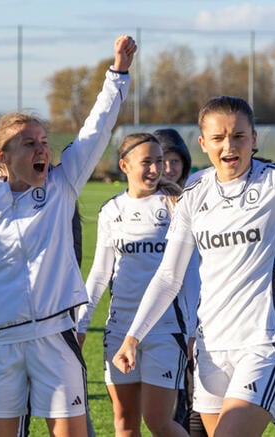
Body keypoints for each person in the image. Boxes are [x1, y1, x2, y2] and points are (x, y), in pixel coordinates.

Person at [112, 96, 275, 437]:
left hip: (265, 343)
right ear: (203, 143)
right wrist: (133, 337)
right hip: (212, 349)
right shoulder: (195, 191)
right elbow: (169, 276)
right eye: (219, 137)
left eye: (239, 136)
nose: (229, 145)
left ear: (254, 139)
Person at [0, 35, 135, 437]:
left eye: (44, 142)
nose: (42, 149)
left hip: (53, 340)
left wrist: (118, 75)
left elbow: (96, 130)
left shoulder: (61, 186)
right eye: (29, 144)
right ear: (3, 156)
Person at [76, 132, 194, 437]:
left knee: (159, 422)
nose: (156, 169)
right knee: (124, 424)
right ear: (124, 166)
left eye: (159, 161)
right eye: (147, 162)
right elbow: (100, 274)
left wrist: (193, 328)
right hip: (118, 330)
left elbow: (190, 274)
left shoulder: (176, 206)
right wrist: (81, 325)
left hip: (166, 330)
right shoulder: (111, 210)